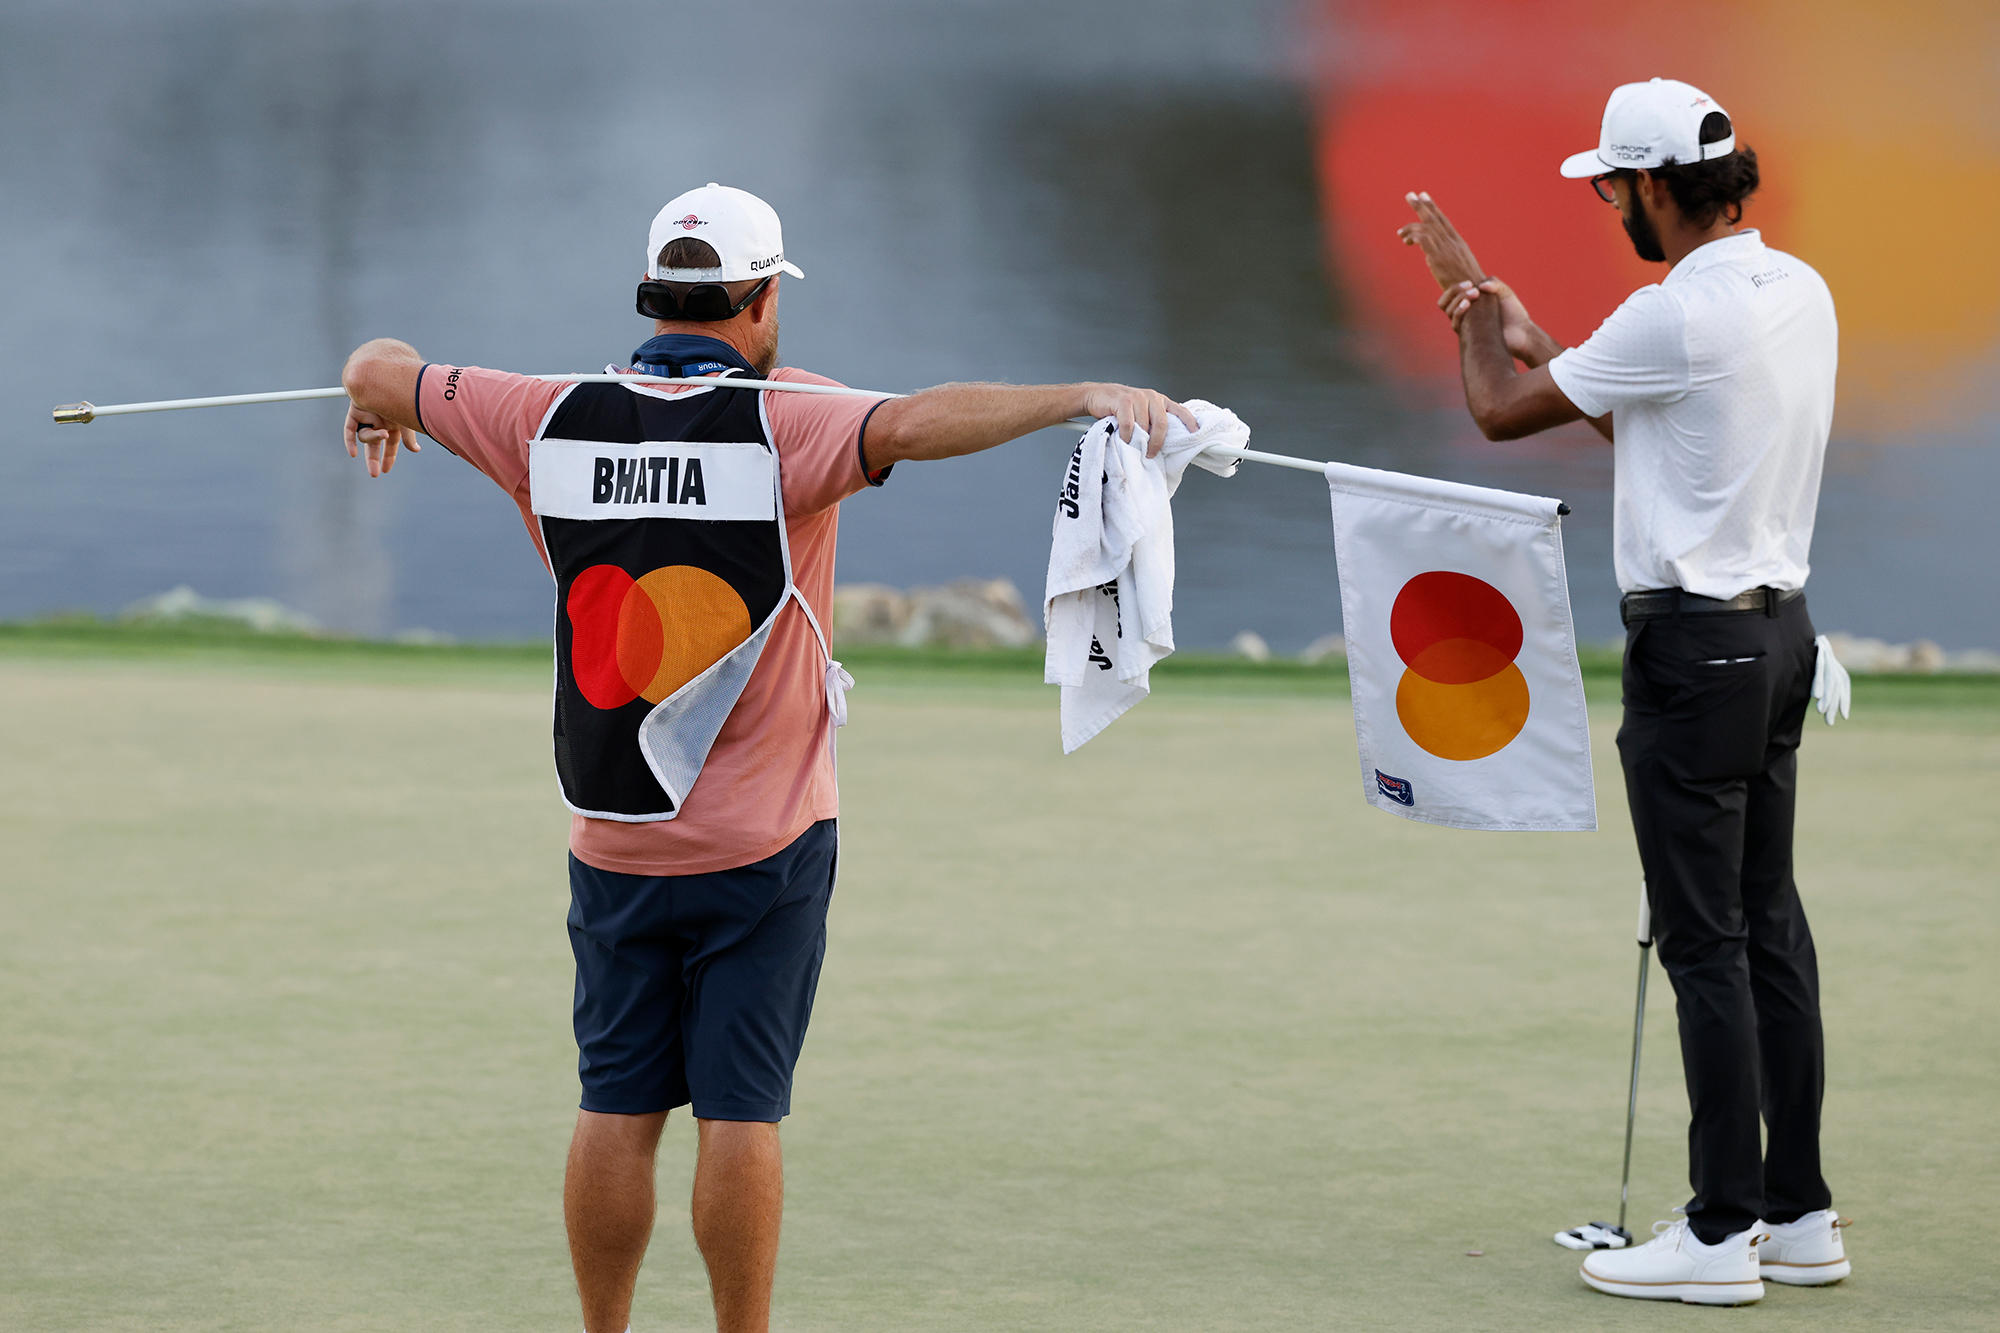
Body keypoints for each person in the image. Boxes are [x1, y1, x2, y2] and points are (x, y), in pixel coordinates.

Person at [337, 182, 1194, 1333]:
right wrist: (1077, 397)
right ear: (755, 299)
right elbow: (914, 422)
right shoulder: (786, 418)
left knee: (616, 1103)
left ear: (653, 292)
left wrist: (387, 403)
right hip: (765, 844)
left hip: (616, 834)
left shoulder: (540, 414)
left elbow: (375, 364)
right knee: (740, 1110)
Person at [1397, 80, 1848, 1306]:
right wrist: (1545, 344)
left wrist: (1467, 304)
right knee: (1768, 930)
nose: (1609, 210)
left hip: (1693, 658)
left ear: (1653, 186)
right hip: (1776, 644)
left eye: (1611, 189)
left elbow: (1494, 413)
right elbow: (1675, 442)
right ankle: (1798, 1214)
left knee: (1701, 942)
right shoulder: (1793, 290)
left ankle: (1715, 1235)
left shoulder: (1671, 311)